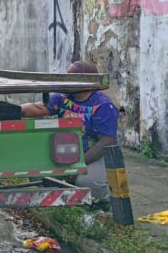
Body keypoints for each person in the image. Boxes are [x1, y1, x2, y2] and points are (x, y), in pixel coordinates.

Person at [20, 61, 119, 206]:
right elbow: (36, 109)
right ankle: (60, 205)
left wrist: (77, 165)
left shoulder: (103, 106)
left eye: (70, 78)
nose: (66, 81)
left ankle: (102, 206)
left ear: (85, 82)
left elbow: (105, 142)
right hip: (65, 151)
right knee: (37, 172)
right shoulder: (62, 98)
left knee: (86, 182)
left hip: (95, 153)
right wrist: (7, 111)